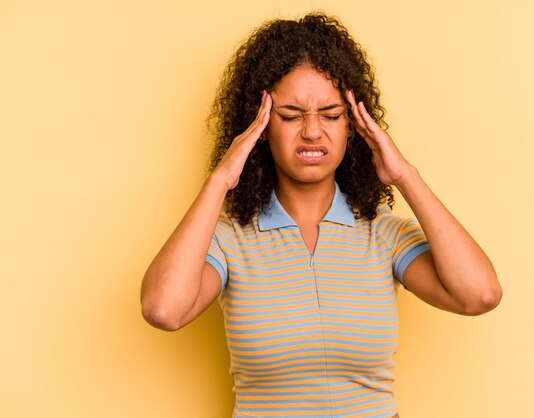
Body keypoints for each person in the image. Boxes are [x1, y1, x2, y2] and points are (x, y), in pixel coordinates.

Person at [141, 13, 502, 418]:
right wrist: (221, 179)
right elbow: (163, 310)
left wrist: (404, 175)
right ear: (260, 127)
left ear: (353, 126)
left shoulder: (383, 232)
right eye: (291, 115)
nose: (312, 131)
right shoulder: (229, 239)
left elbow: (480, 295)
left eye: (331, 115)